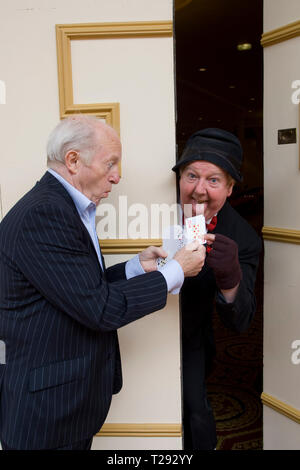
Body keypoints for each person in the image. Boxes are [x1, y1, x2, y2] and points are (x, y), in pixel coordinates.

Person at [0, 115, 206, 450]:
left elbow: (77, 289)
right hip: (45, 414)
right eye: (110, 162)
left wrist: (136, 268)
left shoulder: (60, 205)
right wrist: (176, 270)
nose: (117, 175)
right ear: (73, 160)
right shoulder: (45, 214)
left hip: (61, 405)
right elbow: (100, 309)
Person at [172, 128, 262, 450]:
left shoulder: (244, 238)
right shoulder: (149, 210)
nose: (198, 190)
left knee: (195, 410)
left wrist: (231, 280)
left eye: (213, 180)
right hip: (138, 328)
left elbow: (241, 322)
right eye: (191, 175)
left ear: (230, 187)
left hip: (193, 334)